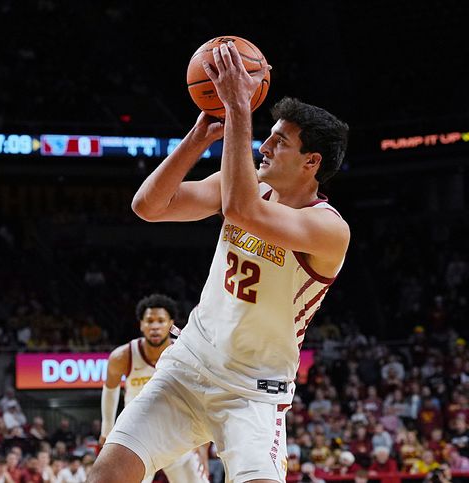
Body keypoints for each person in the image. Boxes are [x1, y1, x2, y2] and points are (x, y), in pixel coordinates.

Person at [89, 41, 350, 483]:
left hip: (255, 392)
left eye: (279, 141)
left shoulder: (328, 229)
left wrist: (239, 110)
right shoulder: (242, 188)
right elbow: (148, 206)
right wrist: (199, 137)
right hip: (189, 365)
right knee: (107, 475)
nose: (264, 145)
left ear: (312, 162)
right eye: (267, 134)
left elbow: (243, 210)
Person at [99, 293, 207, 483]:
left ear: (171, 323)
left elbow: (202, 397)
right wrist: (106, 430)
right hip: (139, 434)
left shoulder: (185, 353)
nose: (155, 326)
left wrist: (204, 447)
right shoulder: (122, 356)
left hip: (177, 433)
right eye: (149, 321)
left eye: (160, 321)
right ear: (141, 325)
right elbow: (110, 390)